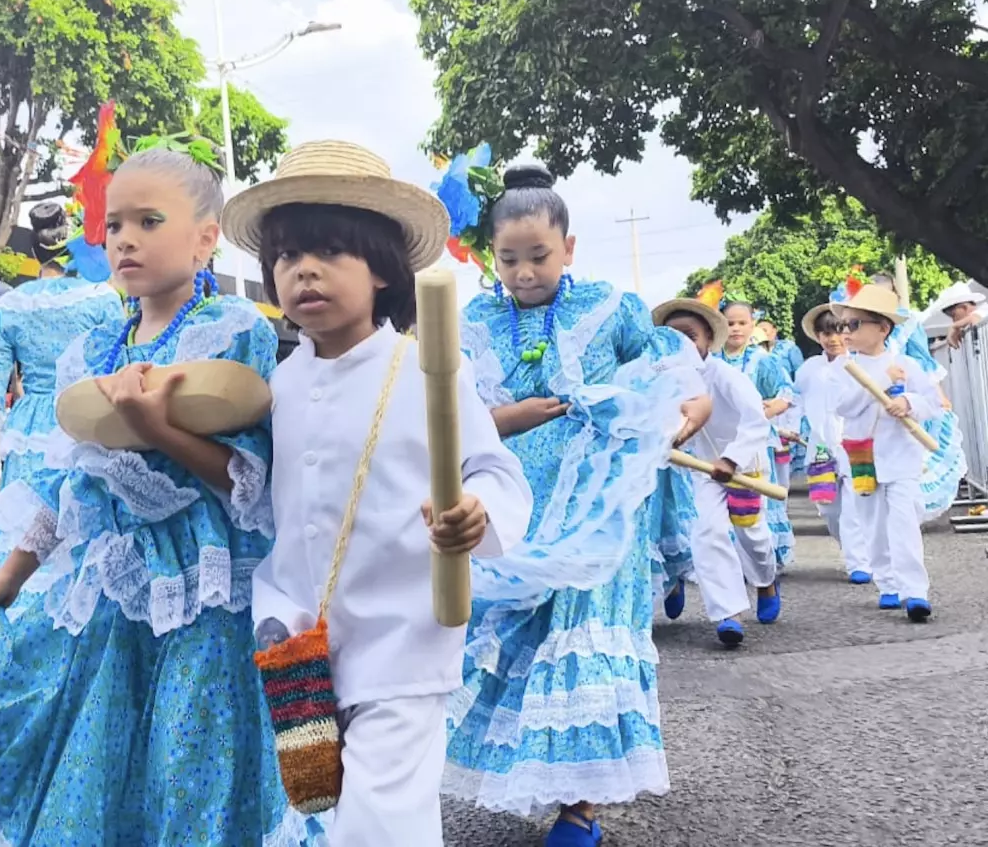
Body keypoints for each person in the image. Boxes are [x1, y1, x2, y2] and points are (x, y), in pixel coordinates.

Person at [0, 144, 312, 846]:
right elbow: (66, 482)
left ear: (207, 237)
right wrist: (3, 577)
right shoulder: (89, 351)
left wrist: (152, 426)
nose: (126, 239)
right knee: (94, 761)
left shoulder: (233, 330)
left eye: (150, 220)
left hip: (201, 601)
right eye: (114, 224)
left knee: (189, 765)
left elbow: (243, 478)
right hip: (109, 595)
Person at [227, 140, 533, 846]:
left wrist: (474, 514)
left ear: (385, 272)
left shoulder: (427, 371)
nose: (303, 270)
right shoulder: (281, 385)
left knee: (378, 823)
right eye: (286, 256)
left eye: (331, 251)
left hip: (403, 637)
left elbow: (494, 472)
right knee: (336, 809)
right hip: (304, 642)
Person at [437, 161, 710, 847]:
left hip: (598, 508)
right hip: (515, 503)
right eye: (508, 258)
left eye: (539, 256)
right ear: (487, 256)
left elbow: (677, 378)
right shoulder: (468, 322)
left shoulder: (610, 307)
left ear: (569, 248)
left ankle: (580, 806)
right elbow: (449, 417)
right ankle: (533, 778)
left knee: (583, 646)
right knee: (512, 643)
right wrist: (514, 417)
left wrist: (676, 420)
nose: (524, 271)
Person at [0, 199, 122, 576]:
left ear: (33, 251)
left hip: (30, 427)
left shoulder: (9, 305)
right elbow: (117, 367)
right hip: (87, 417)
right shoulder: (103, 298)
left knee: (24, 530)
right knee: (87, 532)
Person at [654, 296, 781, 647]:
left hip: (744, 466)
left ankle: (766, 581)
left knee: (752, 536)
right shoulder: (666, 379)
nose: (682, 344)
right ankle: (727, 613)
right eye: (673, 337)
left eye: (689, 335)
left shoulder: (727, 377)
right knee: (706, 532)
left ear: (709, 339)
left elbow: (757, 422)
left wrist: (733, 459)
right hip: (701, 470)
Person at [830, 284, 942, 622]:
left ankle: (915, 591)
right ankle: (887, 583)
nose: (846, 332)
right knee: (874, 524)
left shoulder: (905, 364)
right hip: (863, 457)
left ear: (882, 328)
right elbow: (842, 406)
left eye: (854, 324)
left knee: (904, 520)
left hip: (902, 456)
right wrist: (876, 390)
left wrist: (907, 401)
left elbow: (932, 403)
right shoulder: (843, 367)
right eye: (843, 325)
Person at [795, 306, 872, 584]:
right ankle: (851, 546)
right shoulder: (808, 369)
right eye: (827, 333)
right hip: (820, 448)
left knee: (855, 506)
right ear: (818, 336)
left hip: (854, 444)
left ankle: (858, 562)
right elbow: (794, 401)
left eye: (840, 331)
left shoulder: (860, 364)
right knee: (829, 509)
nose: (834, 339)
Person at [718, 298, 796, 569]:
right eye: (730, 323)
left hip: (754, 444)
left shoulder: (762, 361)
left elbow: (787, 392)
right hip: (718, 443)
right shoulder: (711, 361)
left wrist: (771, 409)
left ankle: (764, 563)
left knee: (753, 505)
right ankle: (731, 563)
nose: (736, 329)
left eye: (742, 323)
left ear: (753, 325)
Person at [930, 280, 987, 350]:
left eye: (953, 315)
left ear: (964, 307)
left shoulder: (984, 310)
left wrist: (954, 326)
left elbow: (975, 318)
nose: (954, 321)